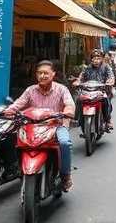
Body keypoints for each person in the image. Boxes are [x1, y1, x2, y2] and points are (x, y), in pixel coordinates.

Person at [4, 60, 75, 190]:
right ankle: (17, 169)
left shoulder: (61, 89)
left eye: (45, 73)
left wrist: (68, 112)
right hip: (32, 127)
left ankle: (66, 174)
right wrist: (7, 111)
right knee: (10, 138)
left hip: (55, 126)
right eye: (39, 73)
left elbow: (69, 104)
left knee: (65, 143)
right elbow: (18, 104)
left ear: (53, 74)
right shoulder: (30, 90)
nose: (42, 76)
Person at [73, 49, 115, 131]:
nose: (96, 60)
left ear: (102, 58)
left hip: (102, 90)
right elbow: (80, 78)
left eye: (98, 57)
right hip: (88, 91)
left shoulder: (107, 67)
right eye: (94, 57)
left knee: (106, 101)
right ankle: (77, 118)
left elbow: (111, 77)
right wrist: (77, 82)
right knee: (79, 100)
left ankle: (108, 121)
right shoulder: (87, 68)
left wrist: (109, 82)